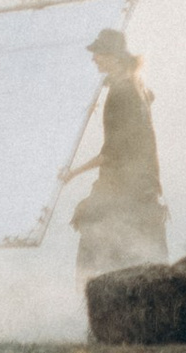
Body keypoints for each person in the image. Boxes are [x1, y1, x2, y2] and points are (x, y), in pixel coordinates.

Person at [69, 24, 169, 279]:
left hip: (124, 188)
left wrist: (72, 173)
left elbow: (113, 152)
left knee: (90, 269)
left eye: (99, 53)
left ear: (113, 57)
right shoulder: (136, 84)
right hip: (143, 186)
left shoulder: (121, 92)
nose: (93, 58)